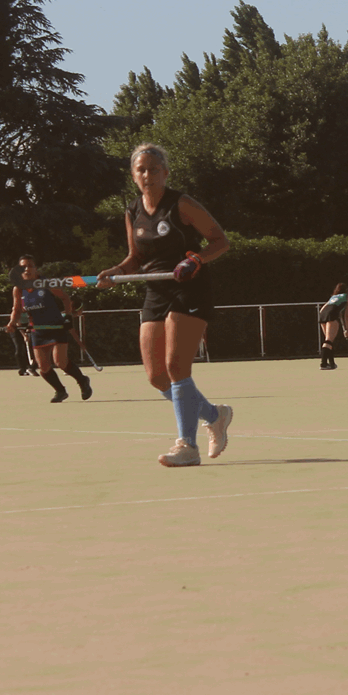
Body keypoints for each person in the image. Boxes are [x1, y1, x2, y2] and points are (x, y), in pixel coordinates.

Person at [96, 144, 235, 466]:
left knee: (176, 368)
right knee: (157, 377)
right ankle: (214, 415)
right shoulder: (132, 211)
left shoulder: (181, 204)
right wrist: (116, 272)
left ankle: (188, 446)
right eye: (141, 170)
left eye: (154, 169)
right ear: (133, 176)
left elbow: (220, 241)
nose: (147, 175)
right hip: (156, 290)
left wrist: (195, 260)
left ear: (166, 173)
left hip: (190, 288)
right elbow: (135, 258)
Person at [7, 255, 92, 402]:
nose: (27, 269)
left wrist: (68, 317)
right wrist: (12, 323)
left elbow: (65, 298)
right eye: (23, 267)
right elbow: (17, 309)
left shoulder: (47, 283)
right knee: (43, 367)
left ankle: (82, 381)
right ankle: (60, 391)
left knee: (60, 362)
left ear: (36, 269)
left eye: (30, 266)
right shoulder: (18, 288)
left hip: (56, 327)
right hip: (38, 330)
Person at [318, 282, 348, 369]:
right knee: (328, 340)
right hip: (331, 315)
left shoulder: (333, 297)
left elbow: (321, 310)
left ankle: (332, 363)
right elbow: (347, 315)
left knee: (329, 340)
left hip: (322, 315)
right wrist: (347, 330)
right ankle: (323, 364)